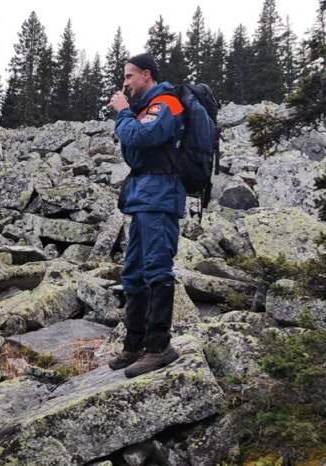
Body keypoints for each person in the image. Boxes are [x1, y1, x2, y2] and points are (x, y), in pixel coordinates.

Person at [107, 53, 186, 378]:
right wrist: (129, 117)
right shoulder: (145, 109)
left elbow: (141, 138)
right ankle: (134, 346)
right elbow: (134, 146)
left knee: (155, 268)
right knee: (133, 272)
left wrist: (124, 113)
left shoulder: (167, 103)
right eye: (125, 78)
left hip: (160, 196)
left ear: (147, 75)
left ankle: (159, 347)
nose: (125, 83)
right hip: (143, 198)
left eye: (129, 77)